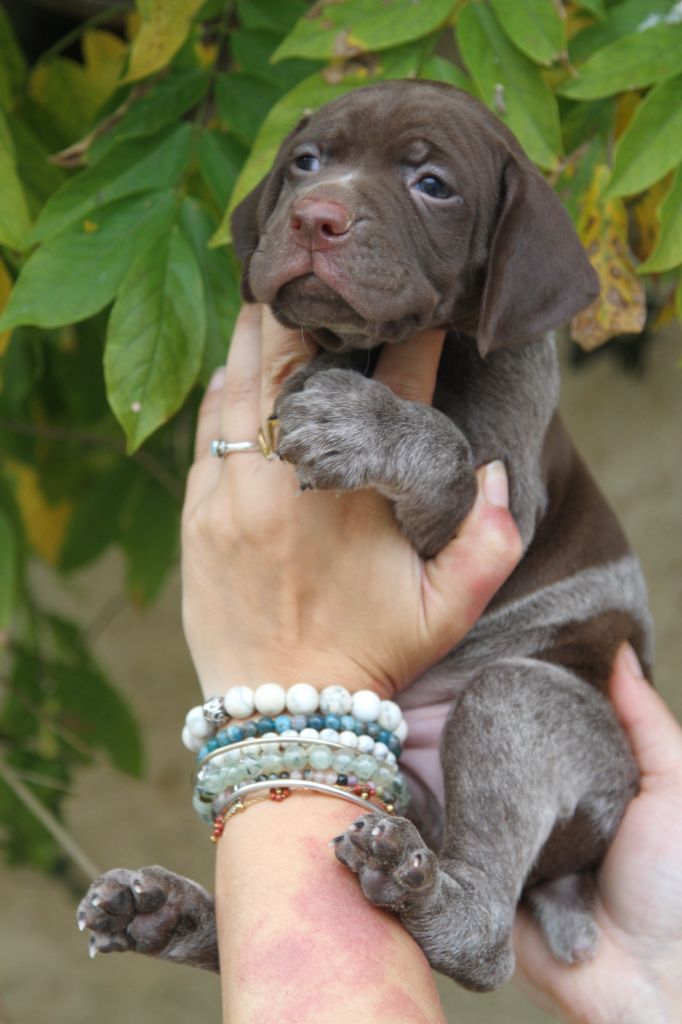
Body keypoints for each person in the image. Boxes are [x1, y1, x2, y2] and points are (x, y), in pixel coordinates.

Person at [182, 304, 682, 1023]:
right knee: (369, 848)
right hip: (453, 776)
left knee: (502, 708)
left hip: (547, 729)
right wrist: (652, 981)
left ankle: (474, 907)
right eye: (303, 179)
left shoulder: (509, 345)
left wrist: (283, 699)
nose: (329, 210)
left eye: (432, 184)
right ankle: (234, 933)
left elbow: (491, 515)